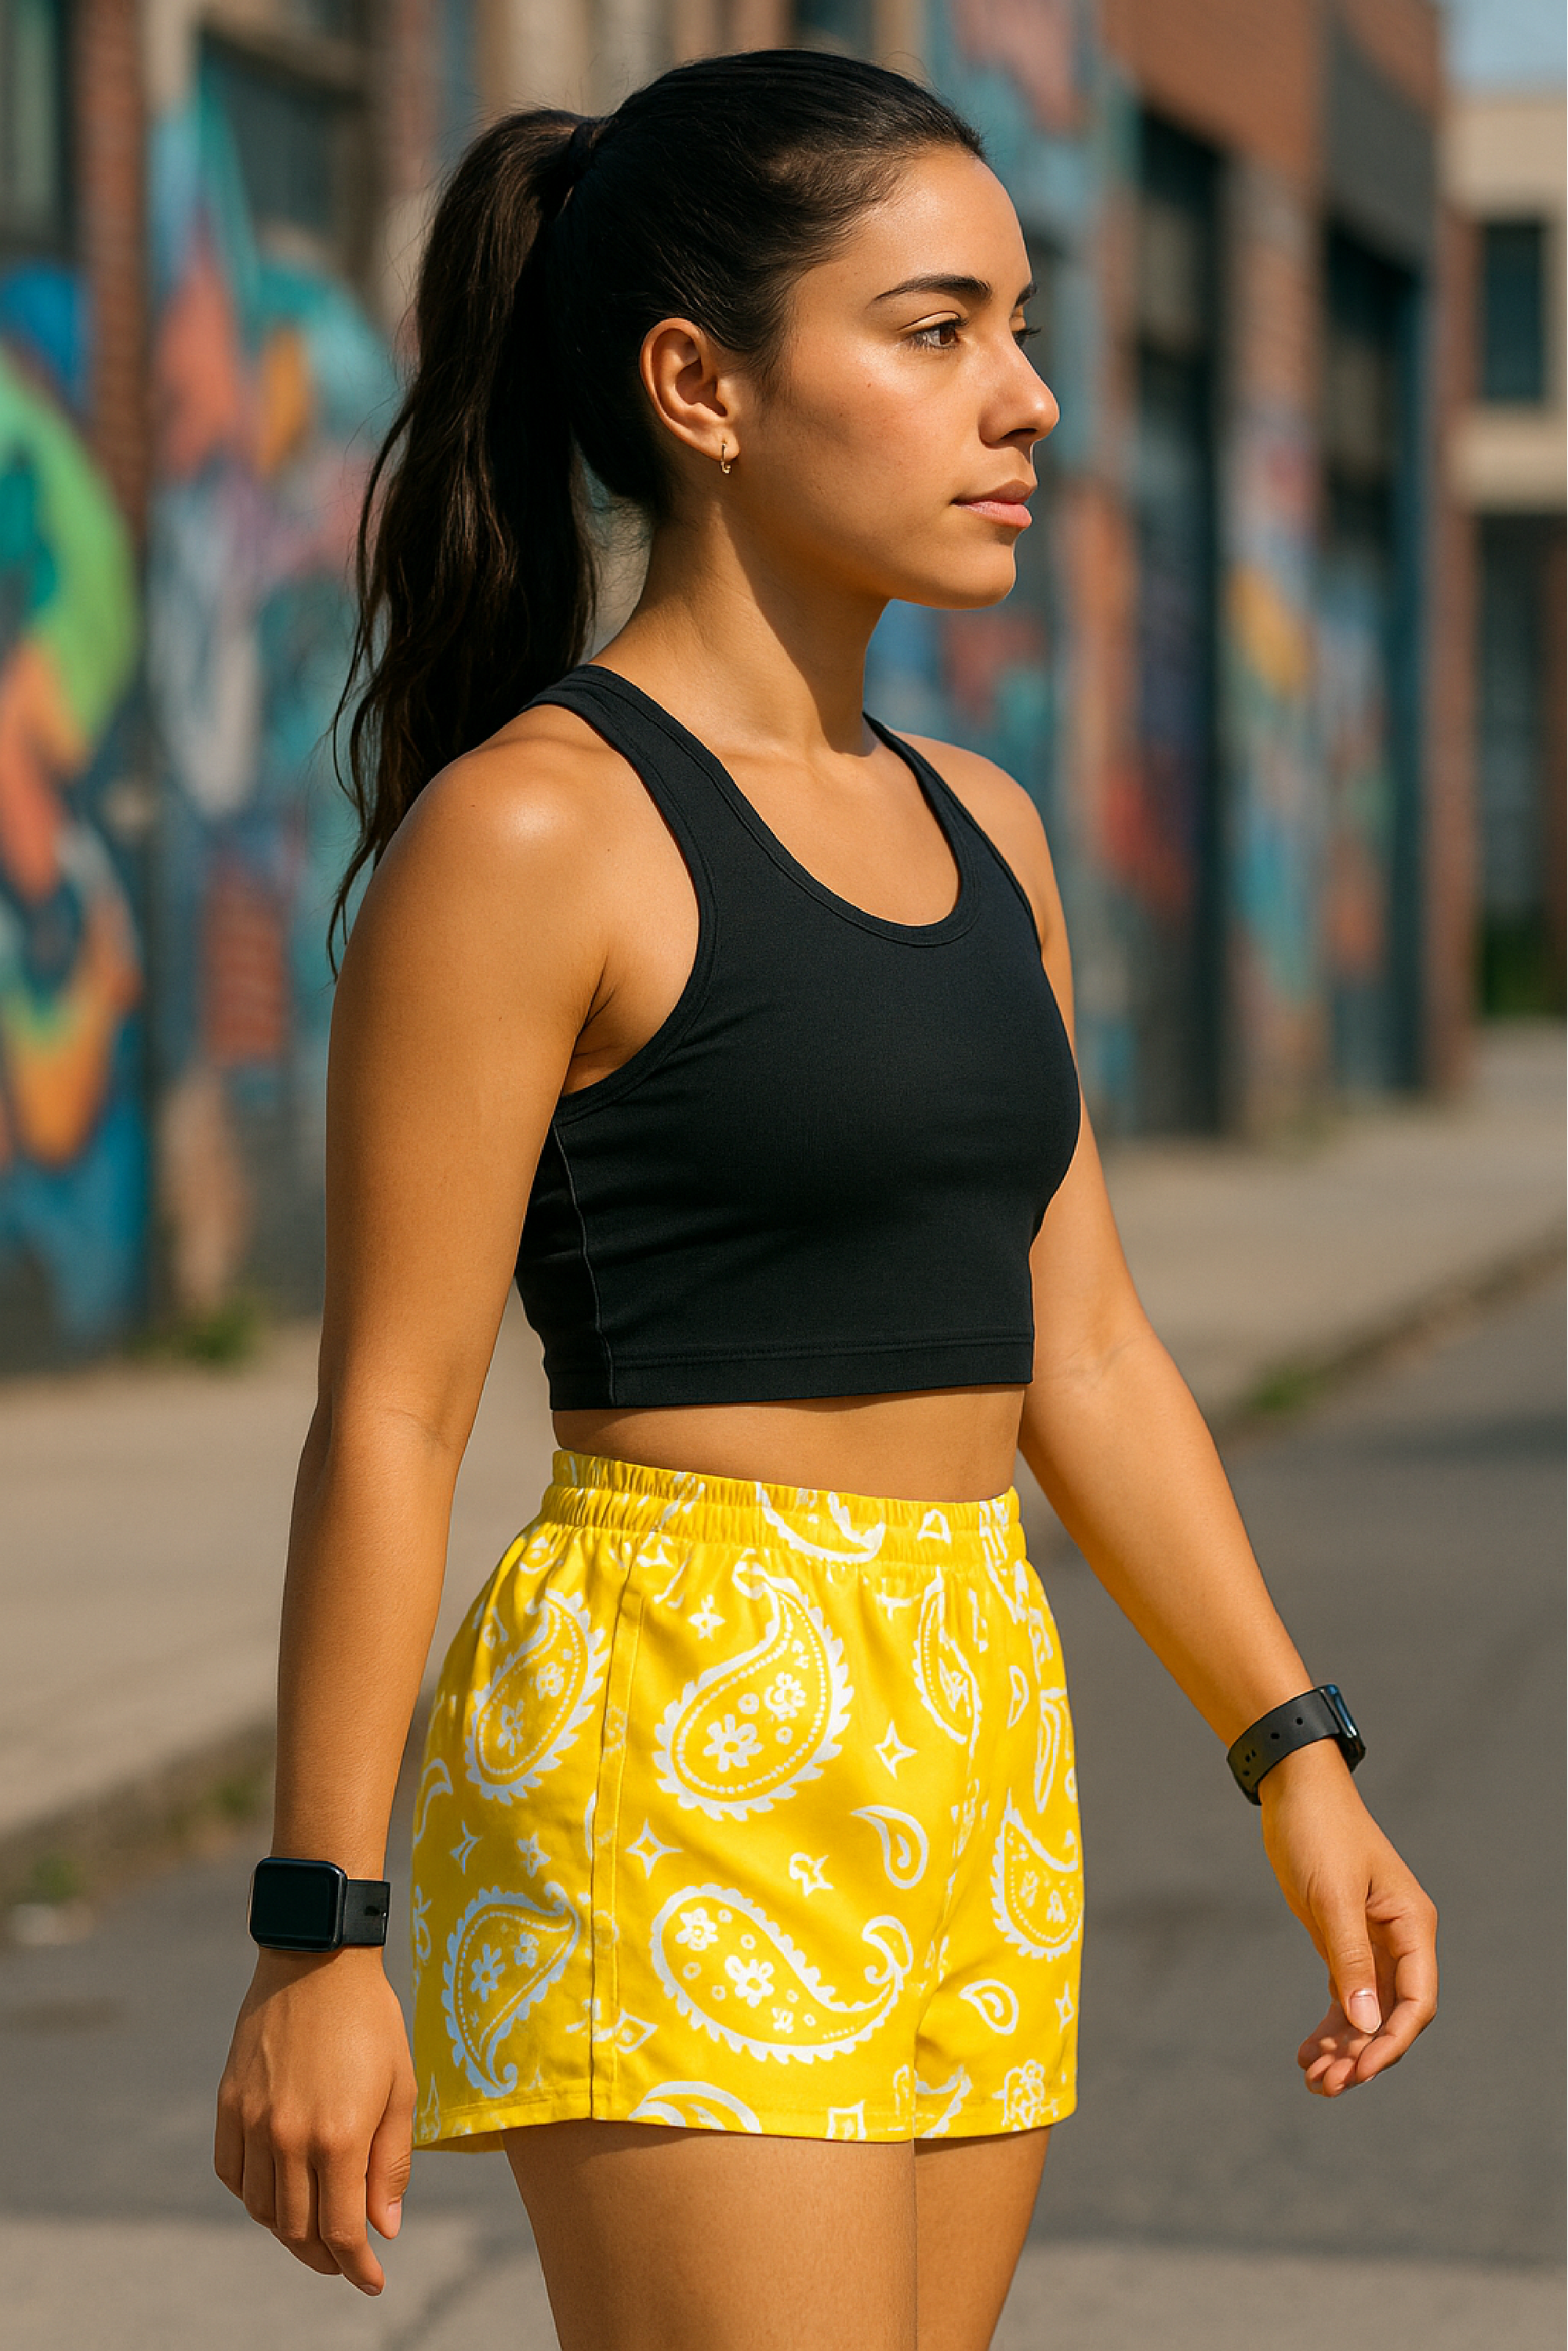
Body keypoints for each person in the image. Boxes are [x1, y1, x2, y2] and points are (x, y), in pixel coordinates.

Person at [214, 49, 1438, 2350]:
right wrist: (317, 1931)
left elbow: (1083, 1346)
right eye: (939, 327)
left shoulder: (993, 829)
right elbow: (389, 1412)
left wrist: (1297, 1753)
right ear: (704, 385)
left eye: (1025, 326)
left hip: (979, 1701)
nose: (1034, 401)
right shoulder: (541, 834)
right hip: (673, 1723)